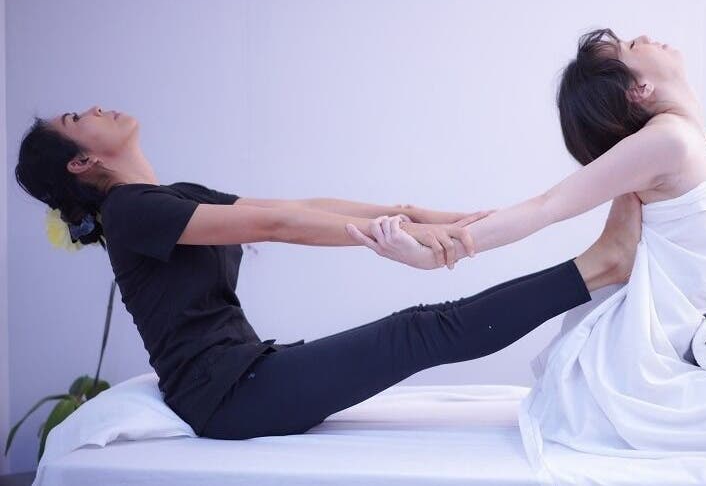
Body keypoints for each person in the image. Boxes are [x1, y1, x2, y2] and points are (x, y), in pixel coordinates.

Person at [351, 28, 706, 485]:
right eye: (632, 46)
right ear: (639, 88)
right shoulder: (668, 141)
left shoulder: (683, 137)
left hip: (683, 324)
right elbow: (546, 207)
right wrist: (446, 250)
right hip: (650, 340)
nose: (646, 37)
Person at [14, 104, 644, 439]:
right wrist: (389, 237)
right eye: (75, 119)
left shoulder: (169, 197)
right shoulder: (129, 210)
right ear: (80, 162)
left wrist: (420, 214)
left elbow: (299, 206)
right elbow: (279, 225)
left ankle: (599, 263)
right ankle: (600, 265)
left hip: (246, 376)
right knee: (420, 330)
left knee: (421, 329)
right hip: (229, 398)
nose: (93, 108)